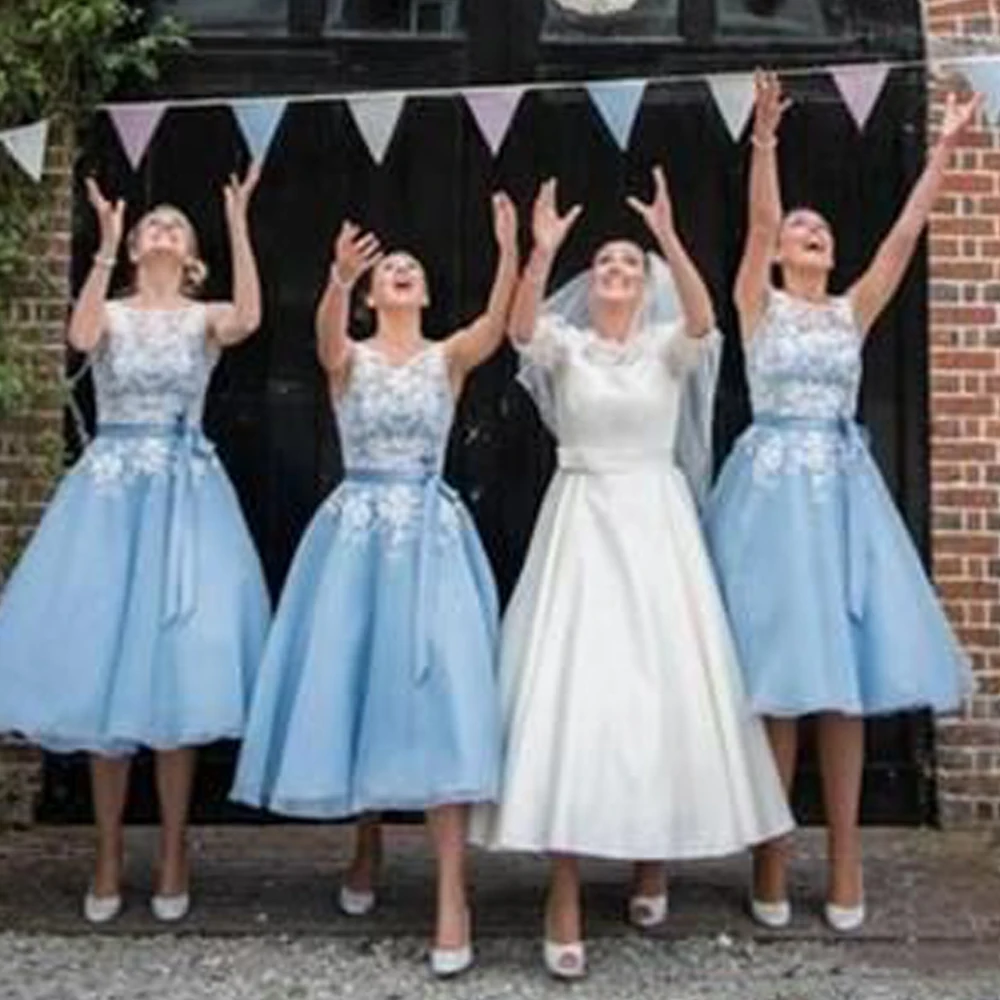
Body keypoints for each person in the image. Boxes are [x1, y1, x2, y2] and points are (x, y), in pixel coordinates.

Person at [471, 173, 793, 979]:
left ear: (642, 284)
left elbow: (704, 317)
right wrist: (540, 252)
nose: (616, 268)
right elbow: (516, 331)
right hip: (580, 521)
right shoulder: (565, 343)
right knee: (576, 697)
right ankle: (566, 888)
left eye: (629, 262)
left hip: (656, 523)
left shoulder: (667, 345)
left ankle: (654, 857)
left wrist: (669, 239)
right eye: (607, 259)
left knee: (662, 692)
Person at [705, 73, 979, 932]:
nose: (809, 232)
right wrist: (764, 144)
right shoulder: (759, 306)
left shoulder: (852, 310)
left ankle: (848, 860)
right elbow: (756, 223)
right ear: (783, 253)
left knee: (844, 688)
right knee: (780, 684)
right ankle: (773, 855)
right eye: (800, 228)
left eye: (819, 228)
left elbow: (902, 238)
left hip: (840, 504)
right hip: (772, 501)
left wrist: (942, 154)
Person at [231, 193, 519, 977]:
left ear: (424, 296)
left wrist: (510, 249)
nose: (401, 273)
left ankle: (452, 896)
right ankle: (365, 845)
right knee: (360, 681)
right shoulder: (351, 358)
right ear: (370, 293)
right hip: (356, 535)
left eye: (412, 270)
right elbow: (325, 346)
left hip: (431, 534)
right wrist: (334, 278)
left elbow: (497, 327)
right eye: (389, 269)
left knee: (442, 691)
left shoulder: (446, 357)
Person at [0, 167, 271, 925]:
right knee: (103, 675)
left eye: (173, 228)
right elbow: (79, 337)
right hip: (111, 499)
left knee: (180, 677)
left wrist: (240, 222)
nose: (160, 231)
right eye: (151, 226)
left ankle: (177, 848)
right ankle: (109, 850)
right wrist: (103, 245)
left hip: (186, 503)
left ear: (190, 256)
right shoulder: (112, 312)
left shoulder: (202, 316)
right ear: (134, 250)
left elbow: (249, 316)